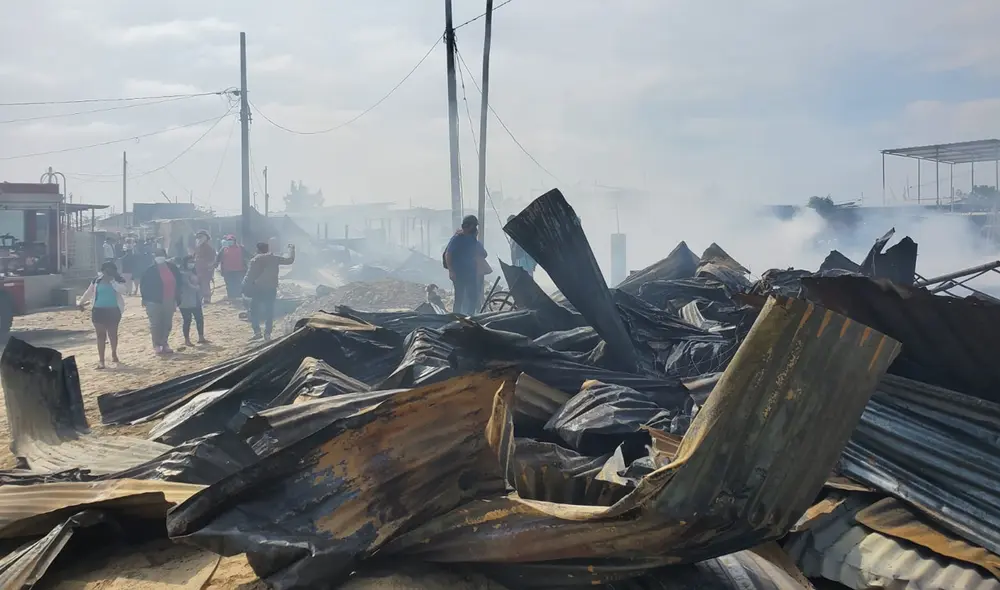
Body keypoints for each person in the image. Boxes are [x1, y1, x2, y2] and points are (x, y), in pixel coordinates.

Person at [243, 242, 295, 340]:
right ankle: (267, 334)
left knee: (254, 311)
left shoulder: (255, 260)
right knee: (269, 311)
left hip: (258, 288)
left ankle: (257, 332)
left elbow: (249, 276)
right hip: (271, 289)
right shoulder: (275, 258)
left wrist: (245, 286)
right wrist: (292, 250)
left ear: (258, 250)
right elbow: (290, 260)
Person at [78, 261, 126, 369]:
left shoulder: (117, 281)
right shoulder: (96, 281)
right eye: (106, 270)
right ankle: (101, 360)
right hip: (98, 310)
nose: (108, 272)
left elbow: (123, 290)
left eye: (111, 270)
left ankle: (114, 352)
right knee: (100, 335)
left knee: (112, 334)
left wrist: (112, 281)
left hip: (113, 311)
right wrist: (81, 302)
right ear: (103, 271)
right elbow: (88, 293)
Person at [444, 215, 488, 316]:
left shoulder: (472, 239)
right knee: (459, 297)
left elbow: (484, 253)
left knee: (473, 297)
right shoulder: (457, 239)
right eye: (473, 226)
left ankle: (469, 318)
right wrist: (451, 270)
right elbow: (448, 254)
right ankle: (455, 318)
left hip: (470, 273)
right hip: (459, 274)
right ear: (467, 226)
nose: (475, 229)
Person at [139, 248, 181, 354]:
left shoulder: (173, 268)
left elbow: (179, 283)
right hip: (153, 301)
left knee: (167, 323)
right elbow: (143, 285)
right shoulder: (150, 270)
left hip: (169, 299)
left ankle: (164, 343)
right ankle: (157, 344)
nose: (159, 257)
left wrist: (178, 298)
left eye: (161, 254)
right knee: (156, 324)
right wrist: (144, 299)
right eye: (157, 255)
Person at [177, 256, 208, 346]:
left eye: (193, 262)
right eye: (190, 262)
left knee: (199, 319)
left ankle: (201, 337)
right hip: (185, 301)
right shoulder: (182, 273)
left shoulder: (194, 272)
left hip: (195, 299)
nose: (192, 263)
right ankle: (187, 340)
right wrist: (196, 288)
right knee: (187, 320)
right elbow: (187, 284)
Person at [217, 234, 249, 300]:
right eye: (228, 240)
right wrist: (214, 265)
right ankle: (231, 298)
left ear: (235, 241)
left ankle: (239, 297)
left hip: (239, 270)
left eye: (231, 240)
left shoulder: (241, 248)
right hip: (227, 271)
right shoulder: (224, 249)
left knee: (239, 284)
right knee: (229, 285)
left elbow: (248, 255)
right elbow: (218, 259)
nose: (230, 241)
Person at [193, 230, 217, 304]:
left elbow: (212, 259)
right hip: (197, 269)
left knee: (205, 284)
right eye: (198, 237)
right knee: (198, 283)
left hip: (206, 270)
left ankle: (207, 299)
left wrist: (209, 266)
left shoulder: (209, 247)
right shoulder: (197, 247)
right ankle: (199, 298)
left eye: (201, 236)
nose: (199, 238)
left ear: (206, 238)